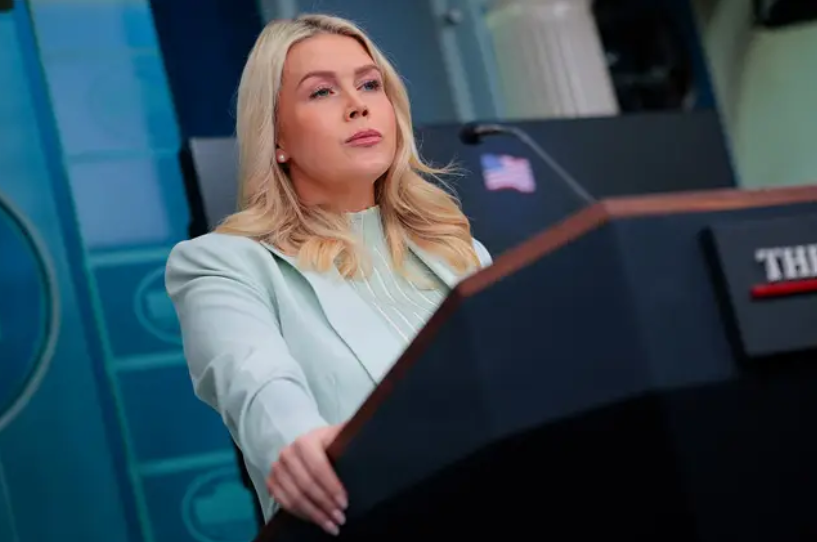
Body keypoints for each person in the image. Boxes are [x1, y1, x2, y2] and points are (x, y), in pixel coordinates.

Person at [165, 13, 492, 537]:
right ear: (276, 137)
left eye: (370, 84)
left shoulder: (461, 252)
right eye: (321, 92)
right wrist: (293, 440)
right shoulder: (221, 264)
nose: (358, 104)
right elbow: (253, 379)